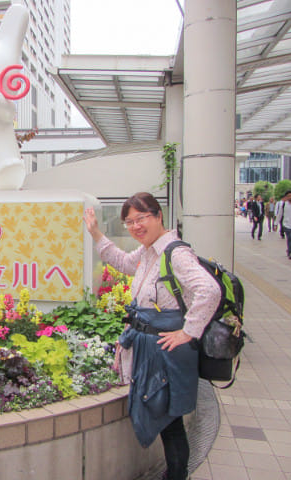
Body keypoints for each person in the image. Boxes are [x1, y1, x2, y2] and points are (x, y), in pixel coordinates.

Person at [83, 192, 221, 480]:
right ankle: (176, 473)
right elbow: (121, 261)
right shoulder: (148, 251)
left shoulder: (175, 253)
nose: (135, 226)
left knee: (169, 420)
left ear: (159, 216)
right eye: (129, 221)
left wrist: (188, 332)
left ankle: (177, 475)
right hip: (153, 348)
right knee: (167, 418)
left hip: (165, 351)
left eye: (141, 218)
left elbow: (209, 291)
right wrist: (96, 233)